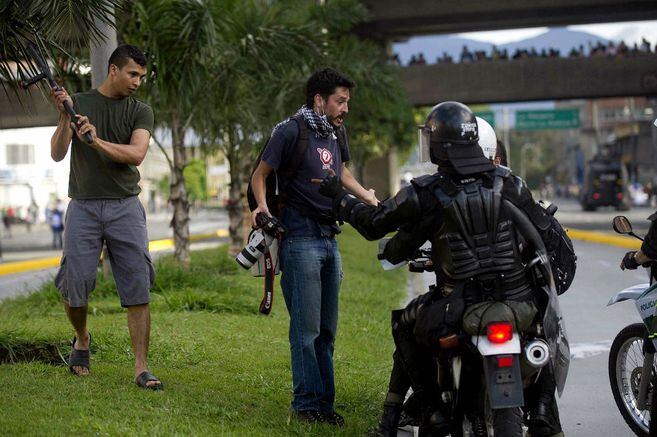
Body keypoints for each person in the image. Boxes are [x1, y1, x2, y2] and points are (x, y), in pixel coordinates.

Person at [315, 102, 568, 437]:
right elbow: (544, 232)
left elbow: (375, 224)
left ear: (440, 146)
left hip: (458, 309)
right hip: (519, 307)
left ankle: (431, 409)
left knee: (405, 324)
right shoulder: (511, 184)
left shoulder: (427, 193)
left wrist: (340, 198)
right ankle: (543, 412)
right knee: (544, 335)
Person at [250, 67, 377, 425]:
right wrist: (261, 207)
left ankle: (324, 404)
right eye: (340, 101)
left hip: (328, 238)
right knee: (306, 330)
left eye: (347, 102)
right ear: (319, 100)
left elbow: (342, 173)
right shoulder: (290, 130)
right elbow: (260, 174)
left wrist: (368, 197)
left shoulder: (336, 133)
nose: (345, 108)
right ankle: (305, 405)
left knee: (327, 331)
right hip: (300, 237)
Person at [50, 44, 161, 390]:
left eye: (141, 76)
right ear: (113, 70)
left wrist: (96, 142)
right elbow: (56, 154)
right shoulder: (80, 103)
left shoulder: (140, 111)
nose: (137, 81)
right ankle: (82, 338)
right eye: (132, 74)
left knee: (137, 286)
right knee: (75, 287)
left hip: (125, 206)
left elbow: (136, 154)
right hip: (83, 205)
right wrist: (66, 118)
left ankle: (141, 368)